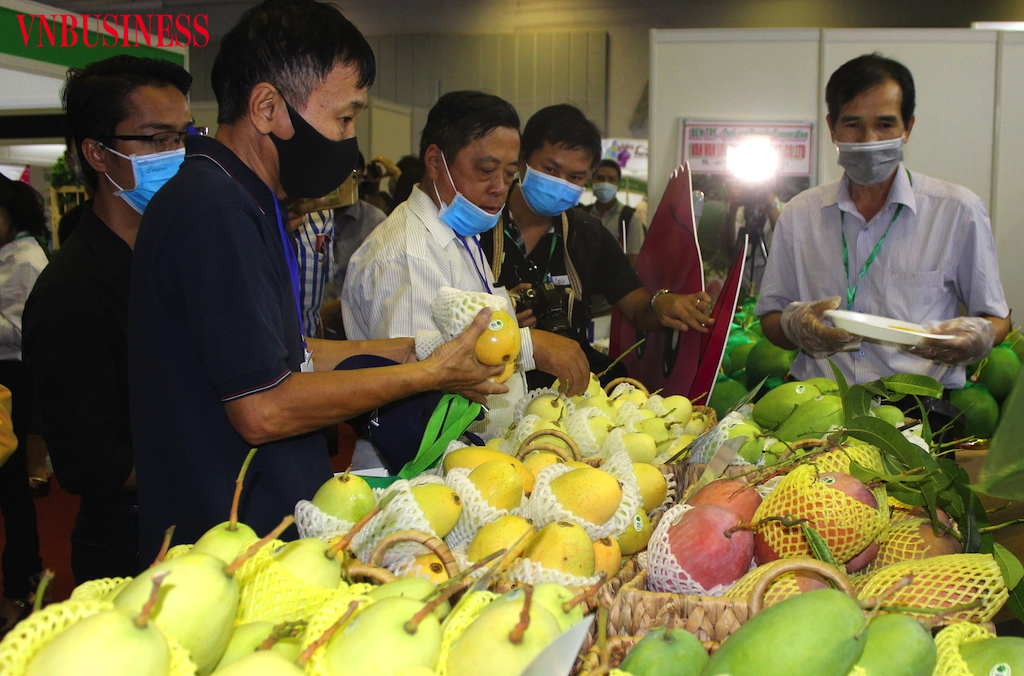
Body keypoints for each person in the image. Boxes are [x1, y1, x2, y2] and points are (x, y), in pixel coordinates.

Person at [127, 0, 505, 559]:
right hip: (227, 539)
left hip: (263, 521)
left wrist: (417, 350)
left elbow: (285, 355)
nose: (349, 139)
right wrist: (426, 375)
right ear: (266, 107)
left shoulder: (245, 201)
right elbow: (263, 406)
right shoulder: (216, 211)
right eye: (344, 118)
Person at [23, 55, 195, 584]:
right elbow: (89, 462)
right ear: (97, 153)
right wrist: (207, 455)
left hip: (200, 519)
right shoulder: (71, 290)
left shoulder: (180, 254)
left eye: (184, 137)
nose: (176, 155)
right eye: (155, 139)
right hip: (132, 542)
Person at [343, 90, 592, 439]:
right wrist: (528, 346)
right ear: (434, 161)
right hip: (431, 468)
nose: (498, 188)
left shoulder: (460, 233)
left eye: (508, 175)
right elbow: (414, 387)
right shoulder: (408, 255)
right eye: (486, 170)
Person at [757, 53, 1010, 388]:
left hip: (918, 406)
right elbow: (770, 316)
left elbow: (997, 317)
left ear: (908, 128)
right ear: (832, 128)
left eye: (885, 125)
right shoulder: (800, 215)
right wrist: (794, 327)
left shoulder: (957, 211)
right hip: (819, 402)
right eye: (853, 125)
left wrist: (979, 335)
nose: (869, 140)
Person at [480, 104, 715, 388]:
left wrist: (662, 304)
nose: (560, 183)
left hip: (571, 387)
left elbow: (637, 307)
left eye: (575, 177)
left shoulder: (588, 233)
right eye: (551, 169)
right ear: (523, 159)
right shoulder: (478, 223)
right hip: (488, 383)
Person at [0, 176, 47, 634]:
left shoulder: (26, 257)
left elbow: (24, 330)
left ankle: (22, 578)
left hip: (12, 376)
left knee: (12, 486)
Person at [583, 159, 648, 266]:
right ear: (592, 182)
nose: (605, 183)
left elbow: (634, 258)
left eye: (611, 179)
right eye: (600, 178)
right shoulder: (584, 214)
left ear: (618, 185)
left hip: (616, 280)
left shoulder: (630, 217)